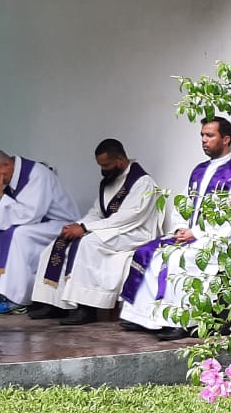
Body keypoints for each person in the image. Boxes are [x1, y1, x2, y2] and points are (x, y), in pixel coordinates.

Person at [119, 117, 231, 340]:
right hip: (190, 234)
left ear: (226, 139)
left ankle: (179, 322)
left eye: (210, 135)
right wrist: (181, 227)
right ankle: (143, 316)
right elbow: (184, 203)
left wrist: (196, 233)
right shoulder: (199, 170)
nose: (204, 140)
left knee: (177, 259)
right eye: (202, 135)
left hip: (217, 240)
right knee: (148, 252)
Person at [27, 139, 162, 325]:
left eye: (106, 165)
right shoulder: (109, 181)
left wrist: (84, 229)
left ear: (120, 159)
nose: (103, 170)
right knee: (62, 241)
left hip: (135, 233)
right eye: (100, 165)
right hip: (113, 229)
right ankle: (54, 303)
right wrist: (77, 225)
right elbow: (97, 213)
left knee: (87, 244)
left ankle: (87, 308)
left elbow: (128, 218)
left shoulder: (142, 183)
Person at [0, 148, 80, 315]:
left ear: (6, 165)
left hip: (57, 224)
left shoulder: (37, 174)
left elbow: (30, 216)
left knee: (18, 235)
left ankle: (16, 299)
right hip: (30, 223)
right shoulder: (5, 177)